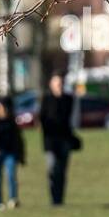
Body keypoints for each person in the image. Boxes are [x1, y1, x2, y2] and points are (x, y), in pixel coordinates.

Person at [40, 72, 77, 206]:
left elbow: (69, 120)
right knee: (52, 169)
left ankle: (59, 199)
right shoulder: (46, 99)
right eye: (57, 83)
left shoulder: (68, 99)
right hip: (50, 141)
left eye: (61, 83)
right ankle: (53, 198)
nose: (59, 86)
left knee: (62, 170)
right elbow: (42, 119)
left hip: (64, 140)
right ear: (51, 84)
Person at [0, 96, 25, 210]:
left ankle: (13, 199)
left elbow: (18, 138)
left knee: (11, 176)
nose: (1, 109)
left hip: (10, 152)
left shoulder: (12, 120)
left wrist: (21, 155)